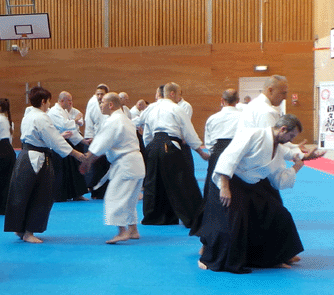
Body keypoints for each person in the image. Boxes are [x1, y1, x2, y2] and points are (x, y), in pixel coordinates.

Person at [197, 114, 324, 273]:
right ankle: (209, 258)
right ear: (283, 129)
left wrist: (301, 162)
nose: (291, 140)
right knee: (233, 222)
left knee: (278, 214)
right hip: (229, 181)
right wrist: (224, 187)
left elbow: (284, 169)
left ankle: (271, 258)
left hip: (251, 185)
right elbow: (229, 157)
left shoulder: (278, 147)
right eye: (291, 136)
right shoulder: (253, 135)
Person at [4, 87, 86, 243]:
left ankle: (20, 228)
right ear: (43, 101)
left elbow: (47, 137)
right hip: (38, 159)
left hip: (25, 156)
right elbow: (55, 141)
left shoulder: (28, 115)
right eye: (48, 101)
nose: (49, 104)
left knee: (23, 193)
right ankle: (29, 232)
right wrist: (77, 154)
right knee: (40, 195)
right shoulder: (42, 117)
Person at [138, 82, 208, 227]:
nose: (179, 98)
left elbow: (146, 131)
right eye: (179, 94)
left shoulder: (151, 108)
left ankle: (154, 217)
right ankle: (196, 218)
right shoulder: (176, 108)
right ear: (172, 94)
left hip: (153, 145)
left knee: (154, 183)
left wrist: (148, 148)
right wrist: (200, 151)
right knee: (183, 181)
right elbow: (188, 132)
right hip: (170, 145)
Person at [80, 93, 145, 244]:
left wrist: (87, 159)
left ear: (111, 105)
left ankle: (122, 232)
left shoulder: (113, 120)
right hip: (136, 163)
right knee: (130, 199)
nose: (100, 105)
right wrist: (90, 159)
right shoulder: (125, 119)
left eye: (102, 102)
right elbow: (106, 144)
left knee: (114, 197)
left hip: (125, 164)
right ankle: (133, 230)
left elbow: (101, 143)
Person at [189, 89, 242, 235]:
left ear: (222, 101)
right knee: (238, 188)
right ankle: (237, 224)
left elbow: (209, 142)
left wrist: (215, 154)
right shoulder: (244, 117)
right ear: (238, 101)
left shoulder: (213, 118)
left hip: (217, 152)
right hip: (237, 152)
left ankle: (209, 227)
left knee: (213, 190)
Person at [47, 91, 89, 202]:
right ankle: (59, 195)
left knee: (74, 169)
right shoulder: (54, 112)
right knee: (61, 171)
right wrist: (75, 119)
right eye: (69, 100)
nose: (71, 103)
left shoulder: (64, 111)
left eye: (71, 100)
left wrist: (83, 141)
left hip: (67, 142)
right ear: (62, 101)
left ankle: (77, 194)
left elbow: (71, 130)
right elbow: (65, 125)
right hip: (57, 144)